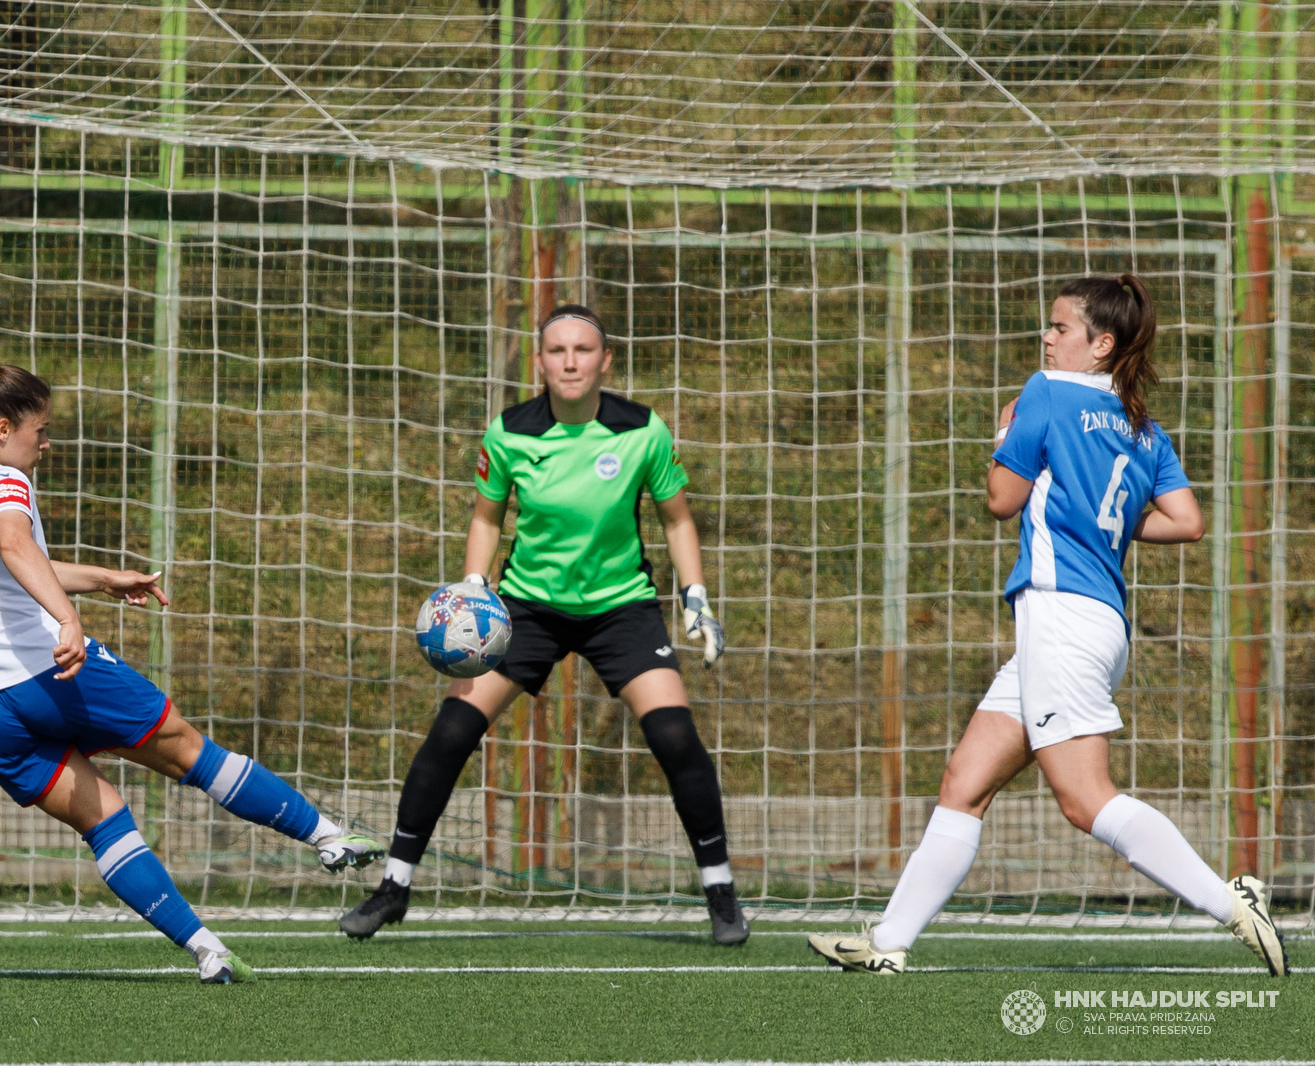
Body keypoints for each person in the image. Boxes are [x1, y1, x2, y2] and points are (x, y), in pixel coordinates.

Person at [808, 275, 1286, 976]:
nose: (1047, 337)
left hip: (1060, 614)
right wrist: (1109, 519)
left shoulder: (1046, 392)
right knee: (965, 782)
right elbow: (1187, 521)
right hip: (1094, 621)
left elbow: (1003, 499)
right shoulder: (1142, 423)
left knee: (1085, 799)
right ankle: (888, 941)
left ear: (1101, 344)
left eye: (1061, 328)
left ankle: (1231, 902)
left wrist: (1005, 430)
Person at [0, 343, 385, 984]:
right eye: (39, 431)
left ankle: (206, 949)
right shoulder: (2, 479)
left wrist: (101, 579)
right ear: (2, 430)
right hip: (48, 674)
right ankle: (328, 835)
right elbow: (14, 545)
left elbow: (6, 568)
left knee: (102, 815)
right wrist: (70, 620)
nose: (44, 445)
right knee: (188, 750)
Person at [339, 304, 747, 945]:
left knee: (675, 737)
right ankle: (393, 887)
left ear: (605, 360)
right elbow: (486, 517)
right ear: (541, 362)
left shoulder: (642, 431)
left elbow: (677, 520)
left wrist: (696, 593)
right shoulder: (509, 433)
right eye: (557, 350)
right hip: (526, 609)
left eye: (583, 350)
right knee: (450, 733)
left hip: (623, 609)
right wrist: (475, 586)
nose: (570, 361)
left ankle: (721, 893)